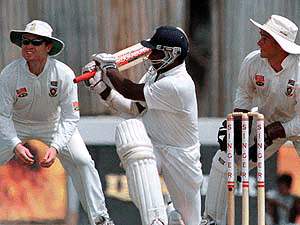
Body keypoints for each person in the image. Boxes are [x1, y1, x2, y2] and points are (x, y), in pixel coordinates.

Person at [82, 25, 203, 225]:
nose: (150, 56)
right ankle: (157, 220)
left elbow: (128, 90)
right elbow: (134, 108)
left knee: (190, 221)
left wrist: (110, 67)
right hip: (152, 146)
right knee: (131, 134)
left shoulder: (179, 84)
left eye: (155, 51)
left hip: (181, 157)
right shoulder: (155, 75)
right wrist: (99, 86)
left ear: (171, 54)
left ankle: (171, 214)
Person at [0, 20, 114, 225]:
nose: (29, 46)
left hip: (52, 125)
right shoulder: (9, 74)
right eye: (26, 41)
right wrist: (15, 144)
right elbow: (2, 116)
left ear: (48, 47)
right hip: (17, 124)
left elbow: (70, 116)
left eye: (36, 42)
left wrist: (56, 147)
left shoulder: (63, 74)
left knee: (83, 161)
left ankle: (101, 219)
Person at [203, 15, 300, 225]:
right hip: (267, 120)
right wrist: (239, 123)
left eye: (264, 38)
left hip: (295, 123)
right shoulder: (253, 61)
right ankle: (211, 220)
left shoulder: (299, 70)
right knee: (225, 160)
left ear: (279, 44)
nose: (259, 43)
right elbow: (244, 93)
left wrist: (271, 133)